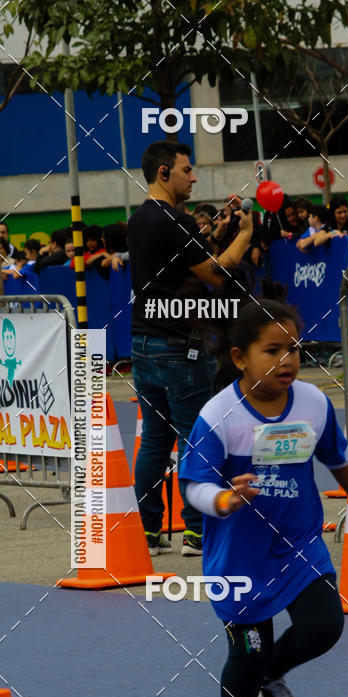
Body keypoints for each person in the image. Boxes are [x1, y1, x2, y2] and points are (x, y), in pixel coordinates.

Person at [178, 286, 348, 697]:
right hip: (240, 558)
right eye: (272, 350)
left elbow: (339, 459)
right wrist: (224, 499)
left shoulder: (314, 403)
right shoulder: (220, 416)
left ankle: (271, 673)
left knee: (325, 627)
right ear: (240, 358)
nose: (286, 359)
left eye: (293, 348)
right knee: (248, 650)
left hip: (299, 546)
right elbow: (192, 485)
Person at [128, 140, 253, 557]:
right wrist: (245, 236)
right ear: (164, 173)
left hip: (142, 343)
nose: (194, 177)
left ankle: (148, 531)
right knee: (197, 438)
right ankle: (197, 532)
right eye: (187, 170)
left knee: (154, 442)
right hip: (179, 346)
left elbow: (184, 261)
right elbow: (216, 274)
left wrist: (214, 234)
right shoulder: (175, 221)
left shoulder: (140, 219)